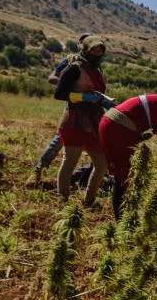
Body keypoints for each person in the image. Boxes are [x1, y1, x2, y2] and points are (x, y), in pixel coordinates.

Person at [52, 35, 115, 205]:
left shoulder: (98, 70)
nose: (97, 53)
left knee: (102, 164)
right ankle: (63, 201)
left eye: (100, 50)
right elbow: (59, 94)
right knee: (70, 161)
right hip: (74, 120)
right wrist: (84, 97)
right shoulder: (74, 68)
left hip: (95, 120)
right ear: (86, 49)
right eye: (93, 49)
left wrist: (104, 101)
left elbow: (97, 93)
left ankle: (89, 201)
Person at [28, 32, 92, 184]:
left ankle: (84, 177)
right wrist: (71, 87)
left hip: (92, 110)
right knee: (60, 140)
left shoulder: (96, 66)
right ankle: (38, 170)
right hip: (73, 106)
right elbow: (52, 78)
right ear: (80, 46)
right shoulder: (70, 61)